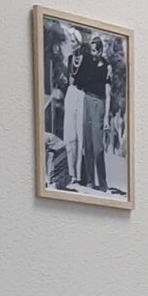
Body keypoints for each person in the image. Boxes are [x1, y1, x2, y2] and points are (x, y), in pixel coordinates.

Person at [79, 35, 112, 191]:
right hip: (86, 99)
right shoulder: (88, 62)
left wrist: (106, 118)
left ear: (100, 51)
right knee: (87, 144)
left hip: (99, 103)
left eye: (94, 50)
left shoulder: (107, 67)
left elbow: (108, 94)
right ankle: (91, 181)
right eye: (91, 50)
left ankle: (103, 183)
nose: (92, 53)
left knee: (98, 147)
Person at [62, 28, 84, 184]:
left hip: (81, 94)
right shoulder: (70, 59)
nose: (71, 43)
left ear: (79, 43)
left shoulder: (86, 60)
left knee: (79, 135)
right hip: (70, 94)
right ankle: (71, 173)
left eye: (73, 40)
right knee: (70, 135)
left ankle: (79, 174)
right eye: (70, 40)